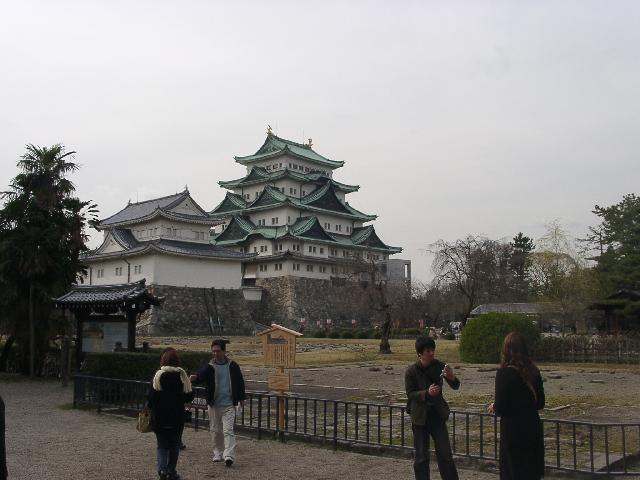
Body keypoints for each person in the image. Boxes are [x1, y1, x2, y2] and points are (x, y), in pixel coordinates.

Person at [488, 332, 545, 480]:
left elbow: (501, 407)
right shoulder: (534, 371)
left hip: (513, 431)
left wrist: (495, 406)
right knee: (531, 472)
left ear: (506, 350)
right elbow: (541, 403)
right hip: (533, 427)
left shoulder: (504, 374)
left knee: (513, 472)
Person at [405, 336, 460, 480]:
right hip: (420, 417)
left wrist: (452, 377)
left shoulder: (439, 366)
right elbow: (410, 394)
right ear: (419, 353)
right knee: (421, 456)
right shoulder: (411, 371)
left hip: (437, 414)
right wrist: (426, 393)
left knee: (445, 454)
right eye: (427, 350)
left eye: (432, 350)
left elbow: (456, 385)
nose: (431, 353)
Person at [190, 339, 246, 467]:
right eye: (213, 351)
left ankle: (229, 455)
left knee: (228, 430)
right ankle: (218, 452)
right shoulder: (210, 366)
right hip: (214, 404)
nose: (215, 353)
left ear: (224, 351)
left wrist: (242, 399)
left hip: (229, 404)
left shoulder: (233, 365)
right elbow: (201, 374)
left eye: (218, 351)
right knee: (216, 431)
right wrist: (195, 377)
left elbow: (240, 383)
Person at [148, 347, 194, 480]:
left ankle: (162, 469)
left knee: (162, 445)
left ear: (163, 360)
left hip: (160, 417)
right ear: (177, 361)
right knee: (174, 445)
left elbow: (150, 399)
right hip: (177, 416)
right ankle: (171, 471)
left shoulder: (158, 376)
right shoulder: (182, 376)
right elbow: (189, 396)